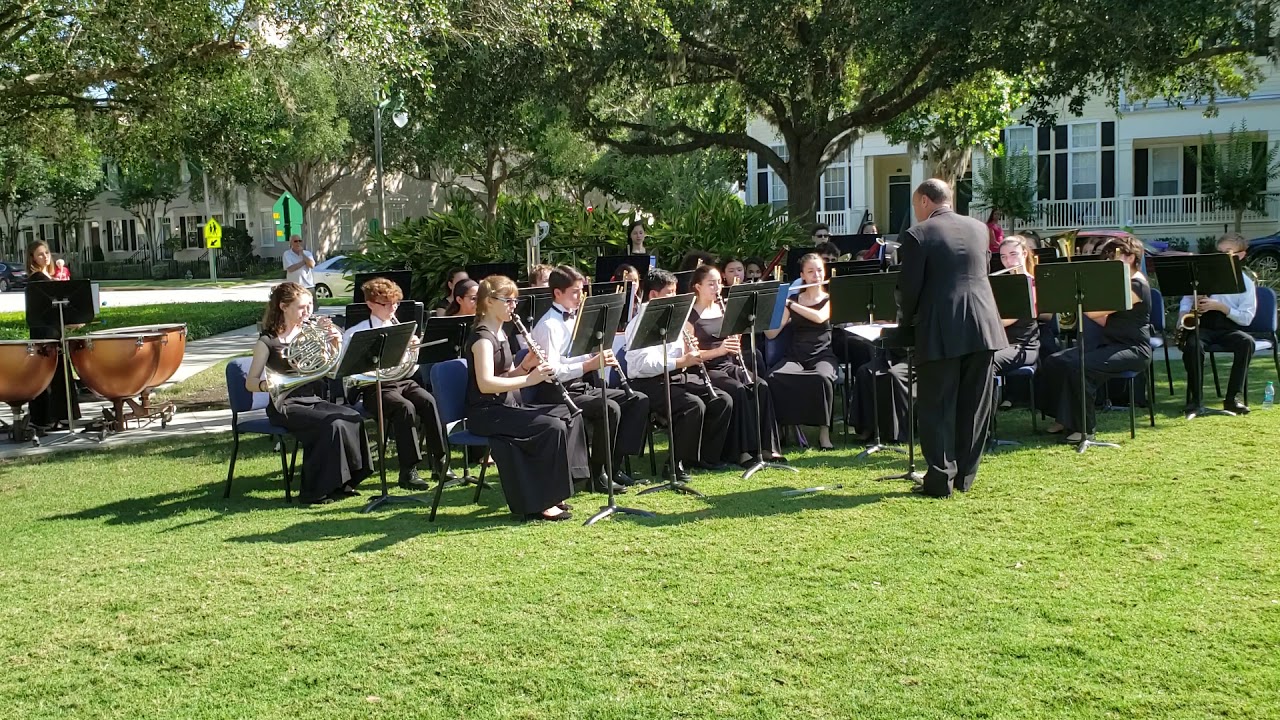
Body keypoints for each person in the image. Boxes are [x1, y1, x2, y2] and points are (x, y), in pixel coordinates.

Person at [897, 179, 1007, 497]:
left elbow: (910, 289)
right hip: (984, 325)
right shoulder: (979, 229)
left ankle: (940, 478)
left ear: (925, 201)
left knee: (937, 406)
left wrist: (904, 323)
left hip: (941, 328)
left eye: (916, 205)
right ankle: (965, 477)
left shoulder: (918, 234)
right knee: (974, 405)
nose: (916, 211)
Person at [466, 275, 589, 521]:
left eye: (515, 301)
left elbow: (506, 375)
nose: (514, 306)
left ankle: (561, 488)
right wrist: (529, 380)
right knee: (551, 427)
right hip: (487, 413)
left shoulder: (501, 333)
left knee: (568, 416)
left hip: (506, 406)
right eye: (508, 301)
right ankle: (543, 501)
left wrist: (525, 366)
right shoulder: (482, 339)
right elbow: (486, 384)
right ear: (489, 301)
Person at [247, 282, 372, 504]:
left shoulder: (309, 333)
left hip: (311, 399)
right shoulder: (267, 341)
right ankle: (315, 491)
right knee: (331, 424)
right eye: (302, 307)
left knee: (352, 417)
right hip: (285, 404)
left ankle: (345, 482)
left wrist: (334, 343)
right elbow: (250, 382)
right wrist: (267, 385)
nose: (308, 312)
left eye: (310, 306)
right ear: (284, 307)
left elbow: (332, 371)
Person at [531, 265, 651, 492]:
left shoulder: (577, 318)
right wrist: (589, 364)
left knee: (637, 400)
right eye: (575, 292)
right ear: (557, 293)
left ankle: (614, 465)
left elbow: (577, 355)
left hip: (580, 385)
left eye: (581, 291)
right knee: (609, 408)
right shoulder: (548, 326)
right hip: (557, 391)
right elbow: (552, 371)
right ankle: (597, 475)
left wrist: (596, 355)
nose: (580, 297)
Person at [342, 277, 452, 489]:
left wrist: (414, 350)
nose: (393, 308)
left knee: (428, 401)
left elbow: (411, 368)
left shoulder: (400, 328)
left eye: (396, 303)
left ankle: (440, 462)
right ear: (371, 304)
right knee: (404, 407)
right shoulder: (356, 333)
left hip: (402, 381)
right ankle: (408, 470)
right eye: (387, 304)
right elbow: (349, 368)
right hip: (373, 387)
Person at [1040, 235, 1152, 442]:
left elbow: (1093, 311)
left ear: (1129, 257)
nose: (1107, 261)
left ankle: (1084, 428)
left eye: (1112, 256)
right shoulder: (1121, 283)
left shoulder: (1136, 286)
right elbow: (1103, 319)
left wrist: (1076, 293)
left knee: (1080, 367)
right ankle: (1062, 418)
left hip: (1132, 349)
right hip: (1111, 344)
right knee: (1055, 361)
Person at [625, 268, 732, 479]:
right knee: (692, 405)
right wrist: (681, 361)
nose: (674, 297)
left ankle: (704, 457)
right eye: (670, 293)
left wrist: (688, 349)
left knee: (722, 400)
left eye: (675, 292)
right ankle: (674, 464)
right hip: (648, 382)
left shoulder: (673, 317)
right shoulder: (639, 323)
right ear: (653, 295)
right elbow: (642, 365)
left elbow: (680, 353)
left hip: (674, 375)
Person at [686, 264, 783, 465]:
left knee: (761, 385)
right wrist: (719, 350)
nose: (717, 288)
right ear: (698, 286)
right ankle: (742, 452)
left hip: (728, 364)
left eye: (718, 283)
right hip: (705, 369)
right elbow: (690, 355)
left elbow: (733, 339)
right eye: (711, 284)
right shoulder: (690, 317)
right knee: (738, 390)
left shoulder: (724, 309)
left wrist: (734, 340)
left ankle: (767, 447)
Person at [766, 253, 839, 450]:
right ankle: (780, 432)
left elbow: (819, 317)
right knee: (774, 377)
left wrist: (790, 304)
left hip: (823, 355)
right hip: (796, 355)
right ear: (802, 276)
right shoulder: (793, 299)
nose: (816, 275)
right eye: (811, 271)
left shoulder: (831, 298)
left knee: (822, 378)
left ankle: (824, 435)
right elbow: (772, 334)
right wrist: (772, 306)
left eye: (819, 271)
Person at [1178, 233, 1256, 416]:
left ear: (1240, 255)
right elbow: (1185, 301)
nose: (1220, 257)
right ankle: (1196, 401)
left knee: (1247, 342)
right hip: (1202, 326)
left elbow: (1246, 318)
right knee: (1193, 346)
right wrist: (1185, 314)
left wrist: (1221, 307)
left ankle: (1232, 400)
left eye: (1227, 252)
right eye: (1219, 252)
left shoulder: (1246, 283)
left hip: (1227, 328)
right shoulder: (1201, 275)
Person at [25, 241, 81, 430]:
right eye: (40, 254)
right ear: (32, 258)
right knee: (51, 375)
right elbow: (48, 310)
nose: (45, 257)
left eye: (47, 252)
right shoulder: (38, 278)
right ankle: (50, 418)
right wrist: (70, 320)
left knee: (57, 373)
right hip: (46, 333)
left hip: (52, 331)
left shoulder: (48, 276)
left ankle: (58, 417)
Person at [993, 236, 1041, 376]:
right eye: (1003, 257)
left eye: (1013, 254)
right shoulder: (999, 285)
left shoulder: (1032, 284)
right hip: (1001, 344)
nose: (1008, 261)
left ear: (1024, 254)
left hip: (1023, 347)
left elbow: (1006, 320)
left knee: (987, 362)